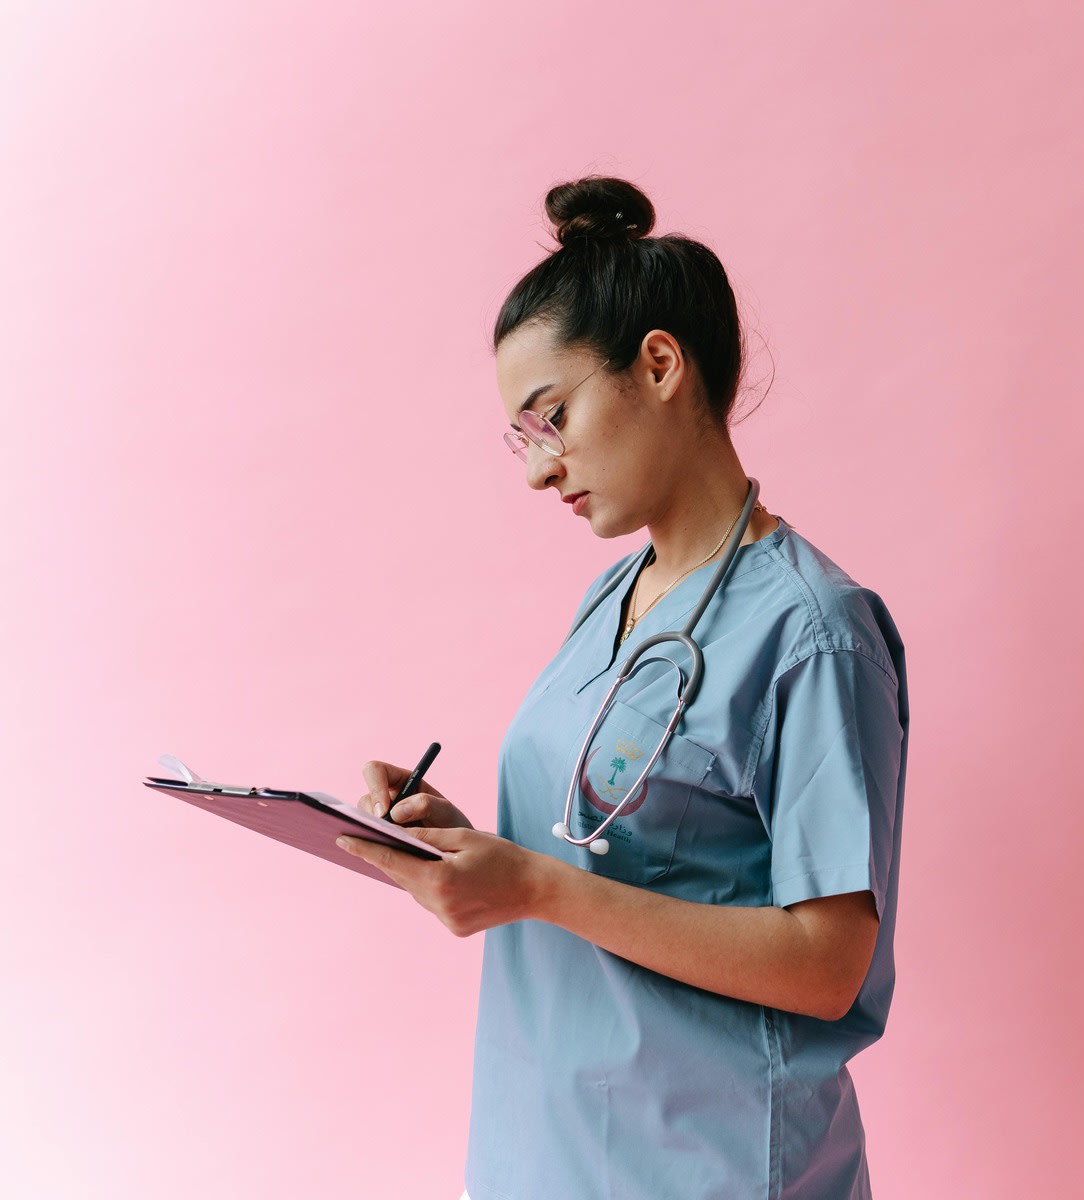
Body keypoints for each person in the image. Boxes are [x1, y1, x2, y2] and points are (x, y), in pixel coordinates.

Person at [337, 175, 909, 1199]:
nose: (537, 471)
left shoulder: (814, 633)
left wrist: (538, 885)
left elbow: (830, 966)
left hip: (710, 1163)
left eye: (549, 418)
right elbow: (607, 847)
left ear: (657, 365)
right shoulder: (617, 595)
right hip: (547, 1147)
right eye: (521, 438)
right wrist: (468, 848)